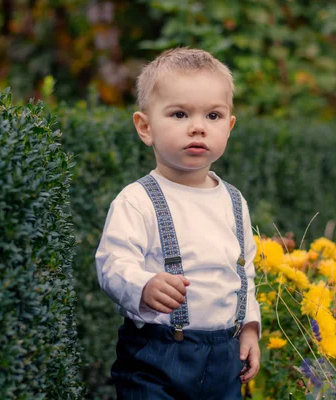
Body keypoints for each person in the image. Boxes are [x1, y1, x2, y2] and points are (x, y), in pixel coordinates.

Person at [95, 47, 261, 399]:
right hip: (157, 357)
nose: (198, 127)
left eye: (213, 116)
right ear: (145, 127)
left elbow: (243, 274)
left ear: (229, 126)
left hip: (223, 357)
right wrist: (143, 284)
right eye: (180, 114)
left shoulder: (234, 201)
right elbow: (113, 262)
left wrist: (249, 329)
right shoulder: (137, 201)